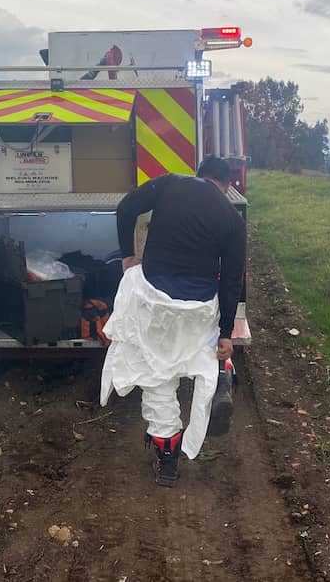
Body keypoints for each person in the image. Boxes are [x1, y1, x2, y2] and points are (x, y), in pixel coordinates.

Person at [101, 157, 247, 487]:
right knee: (202, 348)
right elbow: (232, 281)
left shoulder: (170, 184)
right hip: (197, 308)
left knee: (157, 376)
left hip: (155, 301)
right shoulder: (230, 217)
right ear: (225, 186)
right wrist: (225, 333)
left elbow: (125, 209)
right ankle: (221, 372)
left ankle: (166, 456)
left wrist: (127, 255)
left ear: (199, 176)